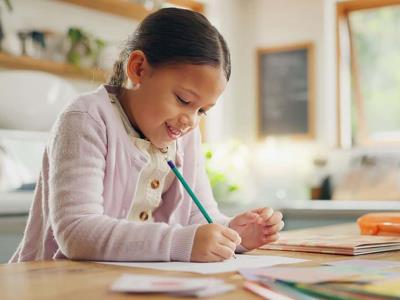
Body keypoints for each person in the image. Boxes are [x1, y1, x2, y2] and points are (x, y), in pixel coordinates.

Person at [10, 8, 283, 263]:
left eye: (203, 111)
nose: (191, 120)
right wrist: (181, 242)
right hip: (50, 283)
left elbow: (197, 216)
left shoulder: (184, 134)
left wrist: (233, 233)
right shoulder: (86, 117)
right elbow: (76, 232)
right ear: (138, 68)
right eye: (183, 99)